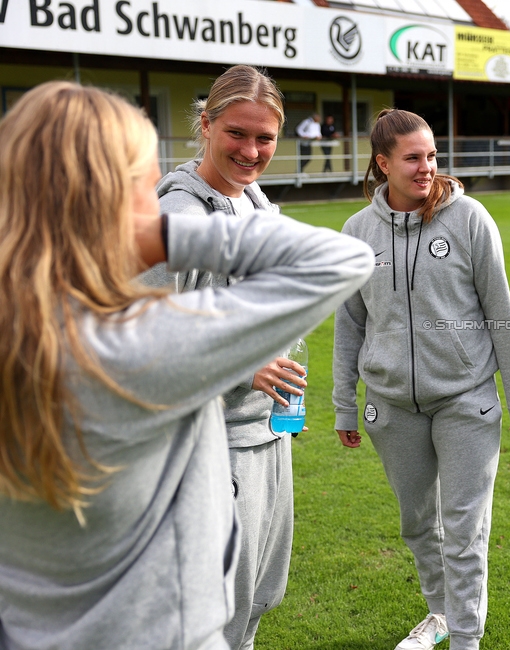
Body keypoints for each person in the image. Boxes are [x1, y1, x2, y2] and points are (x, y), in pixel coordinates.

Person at [0, 82, 372, 649]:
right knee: (238, 605)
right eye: (142, 182)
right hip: (164, 628)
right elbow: (341, 259)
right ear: (120, 201)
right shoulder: (137, 346)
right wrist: (161, 234)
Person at [332, 108, 510, 650]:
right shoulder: (356, 232)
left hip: (465, 401)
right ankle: (441, 614)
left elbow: (500, 309)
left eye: (433, 156)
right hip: (392, 405)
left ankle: (466, 640)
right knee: (419, 525)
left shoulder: (468, 218)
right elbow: (350, 324)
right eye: (414, 158)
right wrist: (344, 407)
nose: (428, 168)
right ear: (383, 163)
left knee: (464, 531)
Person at [140, 64, 302, 650]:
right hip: (207, 448)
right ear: (206, 125)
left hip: (268, 434)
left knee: (256, 599)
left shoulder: (259, 207)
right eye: (237, 133)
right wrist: (243, 367)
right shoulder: (176, 218)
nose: (251, 150)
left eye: (265, 138)